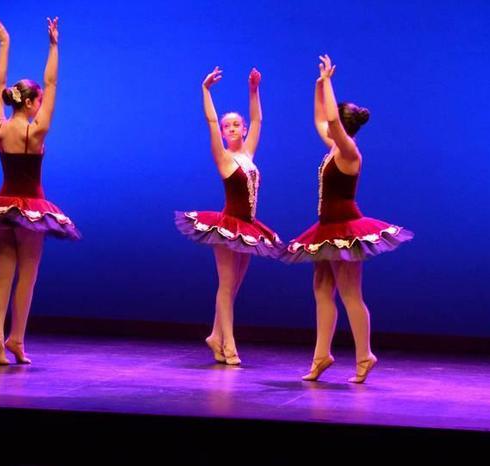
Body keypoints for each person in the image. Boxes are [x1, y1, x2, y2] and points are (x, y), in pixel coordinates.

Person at [0, 16, 78, 365]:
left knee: (3, 273)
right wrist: (54, 45)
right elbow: (51, 83)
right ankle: (16, 339)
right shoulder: (36, 130)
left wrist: (4, 43)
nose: (41, 103)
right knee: (29, 275)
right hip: (32, 209)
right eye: (38, 100)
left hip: (1, 206)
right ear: (31, 102)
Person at [284, 55, 413, 383]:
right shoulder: (334, 148)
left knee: (350, 292)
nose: (328, 128)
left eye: (334, 125)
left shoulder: (349, 152)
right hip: (326, 228)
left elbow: (328, 118)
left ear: (342, 126)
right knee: (321, 289)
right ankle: (322, 355)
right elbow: (319, 117)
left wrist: (328, 82)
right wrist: (318, 85)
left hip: (345, 229)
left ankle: (365, 355)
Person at [174, 66, 282, 365]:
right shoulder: (223, 158)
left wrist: (253, 90)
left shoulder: (248, 154)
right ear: (224, 133)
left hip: (248, 227)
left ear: (243, 129)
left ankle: (214, 335)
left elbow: (259, 118)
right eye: (228, 126)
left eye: (237, 125)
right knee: (225, 285)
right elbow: (210, 120)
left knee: (233, 288)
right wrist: (205, 90)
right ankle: (229, 345)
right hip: (226, 226)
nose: (233, 129)